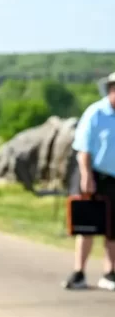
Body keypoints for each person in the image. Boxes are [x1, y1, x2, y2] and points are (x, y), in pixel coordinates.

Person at [63, 71, 115, 291]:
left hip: (114, 178)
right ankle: (79, 272)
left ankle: (110, 272)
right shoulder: (96, 113)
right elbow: (84, 149)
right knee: (87, 226)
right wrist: (86, 177)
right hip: (92, 174)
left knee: (113, 229)